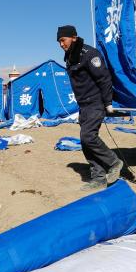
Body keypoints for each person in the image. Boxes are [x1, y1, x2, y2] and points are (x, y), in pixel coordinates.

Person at [57, 24, 123, 190]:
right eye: (58, 41)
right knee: (85, 142)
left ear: (74, 37)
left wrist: (108, 102)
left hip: (95, 102)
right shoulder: (69, 57)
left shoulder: (89, 54)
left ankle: (114, 162)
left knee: (88, 137)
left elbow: (104, 78)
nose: (61, 44)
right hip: (83, 105)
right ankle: (98, 177)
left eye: (63, 40)